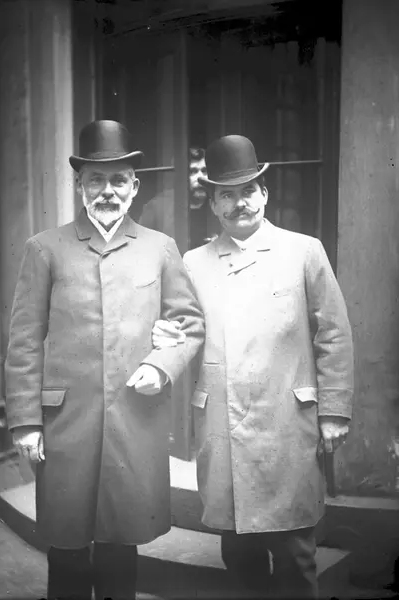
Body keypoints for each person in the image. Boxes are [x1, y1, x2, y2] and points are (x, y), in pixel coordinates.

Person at [4, 120, 205, 600]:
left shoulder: (159, 248)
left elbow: (189, 323)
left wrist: (161, 364)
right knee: (67, 547)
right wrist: (26, 422)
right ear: (80, 184)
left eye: (118, 181)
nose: (108, 191)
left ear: (135, 187)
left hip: (134, 421)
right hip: (65, 424)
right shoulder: (45, 248)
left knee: (120, 544)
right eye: (96, 180)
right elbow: (25, 340)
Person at [152, 135, 354, 599]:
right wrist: (162, 336)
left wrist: (334, 411)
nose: (238, 203)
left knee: (295, 553)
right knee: (238, 553)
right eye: (226, 194)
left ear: (265, 194)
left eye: (248, 191)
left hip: (288, 424)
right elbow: (182, 328)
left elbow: (334, 334)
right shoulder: (194, 262)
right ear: (213, 204)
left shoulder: (304, 251)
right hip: (224, 427)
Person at [138, 147, 218, 248]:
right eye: (193, 171)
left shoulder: (218, 205)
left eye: (204, 171)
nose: (200, 178)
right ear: (180, 175)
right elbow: (141, 248)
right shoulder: (157, 207)